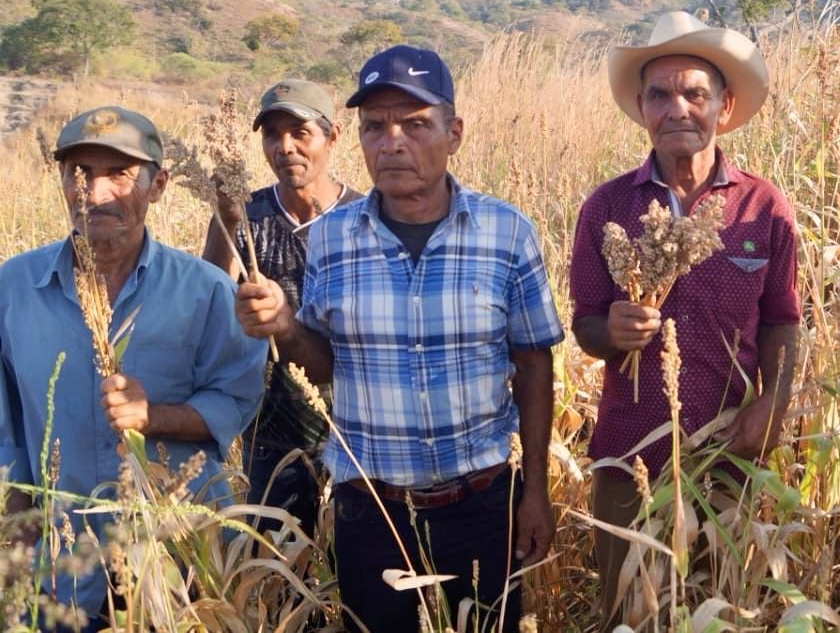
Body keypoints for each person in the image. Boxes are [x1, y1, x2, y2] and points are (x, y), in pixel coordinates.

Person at [233, 46, 563, 633]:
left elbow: (534, 363)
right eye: (375, 126)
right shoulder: (332, 238)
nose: (391, 143)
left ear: (453, 134)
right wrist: (285, 326)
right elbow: (323, 364)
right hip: (372, 513)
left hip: (484, 505)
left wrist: (534, 490)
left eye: (414, 125)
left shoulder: (506, 231)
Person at [569, 11, 801, 621]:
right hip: (629, 460)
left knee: (720, 610)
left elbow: (782, 320)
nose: (678, 109)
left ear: (724, 107)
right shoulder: (608, 207)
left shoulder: (762, 207)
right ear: (641, 108)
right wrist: (610, 331)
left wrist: (771, 405)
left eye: (695, 94)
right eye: (660, 95)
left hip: (729, 456)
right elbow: (585, 323)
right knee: (630, 614)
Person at [0, 106, 266, 630]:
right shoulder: (14, 288)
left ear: (158, 185)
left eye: (118, 174)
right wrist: (18, 521)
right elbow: (6, 426)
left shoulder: (205, 290)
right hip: (61, 565)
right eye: (80, 173)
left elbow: (235, 399)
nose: (95, 193)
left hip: (176, 559)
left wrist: (153, 417)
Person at [201, 79, 361, 537]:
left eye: (300, 132)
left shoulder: (363, 218)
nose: (285, 147)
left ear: (332, 137)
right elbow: (209, 299)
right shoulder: (247, 215)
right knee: (276, 562)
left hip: (355, 429)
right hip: (271, 433)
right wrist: (225, 219)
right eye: (273, 134)